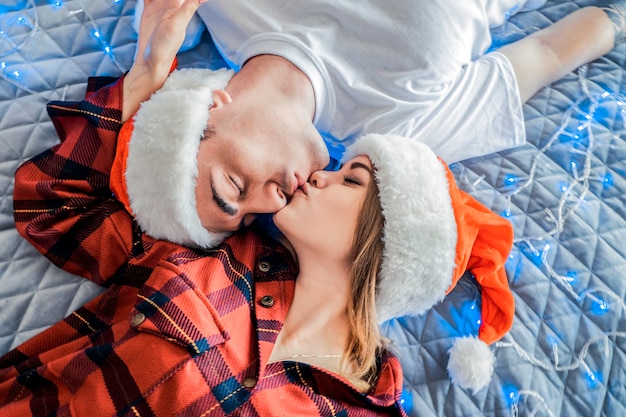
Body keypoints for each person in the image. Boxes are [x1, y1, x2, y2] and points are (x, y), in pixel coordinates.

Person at [3, 63, 515, 412]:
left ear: (388, 244)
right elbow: (52, 202)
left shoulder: (366, 404)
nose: (321, 175)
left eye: (350, 178)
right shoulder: (211, 258)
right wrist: (147, 72)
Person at [122, 0, 624, 241]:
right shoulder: (395, 131)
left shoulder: (215, 9)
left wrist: (146, 70)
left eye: (232, 186)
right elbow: (547, 51)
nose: (271, 205)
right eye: (250, 218)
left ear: (209, 106)